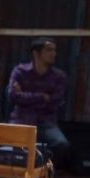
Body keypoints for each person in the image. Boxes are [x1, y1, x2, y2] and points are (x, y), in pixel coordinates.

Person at [9, 37, 69, 166]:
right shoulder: (20, 71)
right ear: (36, 53)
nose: (54, 54)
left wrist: (26, 97)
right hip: (22, 118)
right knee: (12, 143)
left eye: (54, 50)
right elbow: (14, 96)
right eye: (49, 50)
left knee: (61, 144)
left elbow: (55, 102)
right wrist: (42, 97)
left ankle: (44, 173)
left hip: (46, 121)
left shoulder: (58, 76)